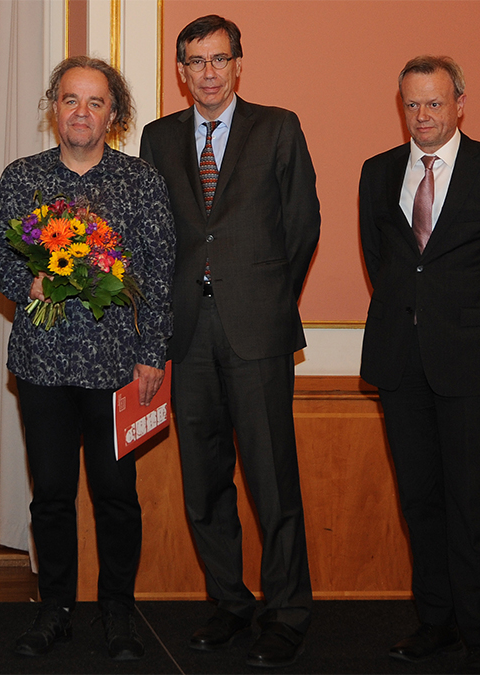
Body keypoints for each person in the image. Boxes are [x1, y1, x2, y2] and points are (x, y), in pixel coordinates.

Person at [138, 14, 319, 668]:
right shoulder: (157, 138)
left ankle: (286, 610)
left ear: (237, 64)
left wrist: (262, 296)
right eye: (194, 61)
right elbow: (155, 237)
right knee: (202, 480)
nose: (207, 72)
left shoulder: (277, 127)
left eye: (218, 59)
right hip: (186, 333)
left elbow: (302, 224)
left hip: (256, 329)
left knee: (271, 478)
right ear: (180, 72)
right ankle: (229, 602)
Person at [0, 56, 174, 662]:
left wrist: (152, 355)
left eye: (95, 103)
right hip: (42, 366)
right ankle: (55, 608)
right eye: (70, 100)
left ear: (112, 114)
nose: (81, 113)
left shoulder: (140, 182)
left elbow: (160, 275)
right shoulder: (22, 179)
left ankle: (118, 611)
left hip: (119, 368)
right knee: (52, 495)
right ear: (54, 107)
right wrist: (30, 284)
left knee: (117, 494)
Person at [359, 56, 480, 675]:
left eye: (434, 103)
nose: (422, 116)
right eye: (411, 104)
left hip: (471, 368)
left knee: (473, 502)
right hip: (401, 364)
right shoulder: (377, 174)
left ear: (459, 102)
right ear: (400, 106)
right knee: (420, 501)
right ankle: (437, 621)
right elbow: (385, 266)